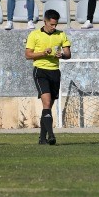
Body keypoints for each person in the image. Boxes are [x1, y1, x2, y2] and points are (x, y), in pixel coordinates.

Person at [25, 9, 72, 145]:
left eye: (55, 25)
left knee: (48, 107)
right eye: (51, 25)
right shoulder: (34, 35)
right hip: (41, 71)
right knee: (46, 103)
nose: (54, 27)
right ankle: (51, 135)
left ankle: (42, 139)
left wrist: (62, 55)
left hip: (55, 72)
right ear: (45, 22)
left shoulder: (61, 35)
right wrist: (42, 53)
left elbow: (68, 54)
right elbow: (28, 55)